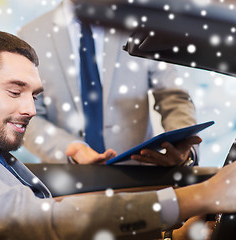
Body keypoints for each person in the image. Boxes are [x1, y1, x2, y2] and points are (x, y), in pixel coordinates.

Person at [0, 31, 236, 240]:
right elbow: (39, 221)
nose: (31, 109)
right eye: (15, 92)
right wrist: (198, 197)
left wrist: (169, 234)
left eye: (34, 95)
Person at [18, 0, 200, 165]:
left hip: (139, 178)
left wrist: (183, 147)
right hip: (67, 181)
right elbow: (28, 117)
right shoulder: (31, 35)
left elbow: (173, 96)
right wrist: (71, 148)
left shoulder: (142, 26)